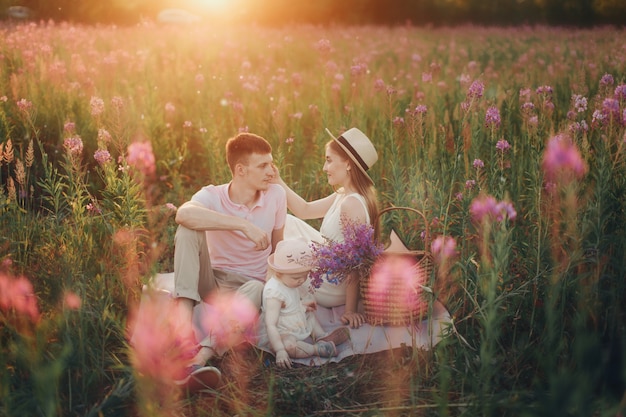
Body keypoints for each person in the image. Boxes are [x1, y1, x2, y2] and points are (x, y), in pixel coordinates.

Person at [172, 132, 287, 391]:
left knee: (258, 288)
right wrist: (242, 225)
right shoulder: (213, 196)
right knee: (188, 229)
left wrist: (280, 285)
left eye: (271, 163)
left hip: (250, 286)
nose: (272, 171)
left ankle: (198, 360)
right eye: (263, 166)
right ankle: (182, 333)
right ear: (240, 170)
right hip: (212, 282)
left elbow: (278, 246)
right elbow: (183, 213)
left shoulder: (276, 195)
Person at [271, 127, 379, 329]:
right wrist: (278, 181)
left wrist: (350, 309)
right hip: (327, 262)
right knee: (287, 221)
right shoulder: (343, 195)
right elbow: (304, 210)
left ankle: (263, 273)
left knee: (283, 250)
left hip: (331, 284)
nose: (324, 167)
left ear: (347, 164)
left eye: (329, 160)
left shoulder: (351, 204)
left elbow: (354, 264)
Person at [258, 238, 351, 368]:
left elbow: (290, 305)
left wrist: (302, 307)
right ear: (279, 273)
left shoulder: (288, 281)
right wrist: (279, 350)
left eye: (305, 275)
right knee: (290, 346)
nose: (301, 280)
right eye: (296, 278)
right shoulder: (274, 292)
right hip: (282, 331)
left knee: (310, 315)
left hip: (294, 319)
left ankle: (322, 336)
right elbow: (271, 324)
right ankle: (317, 349)